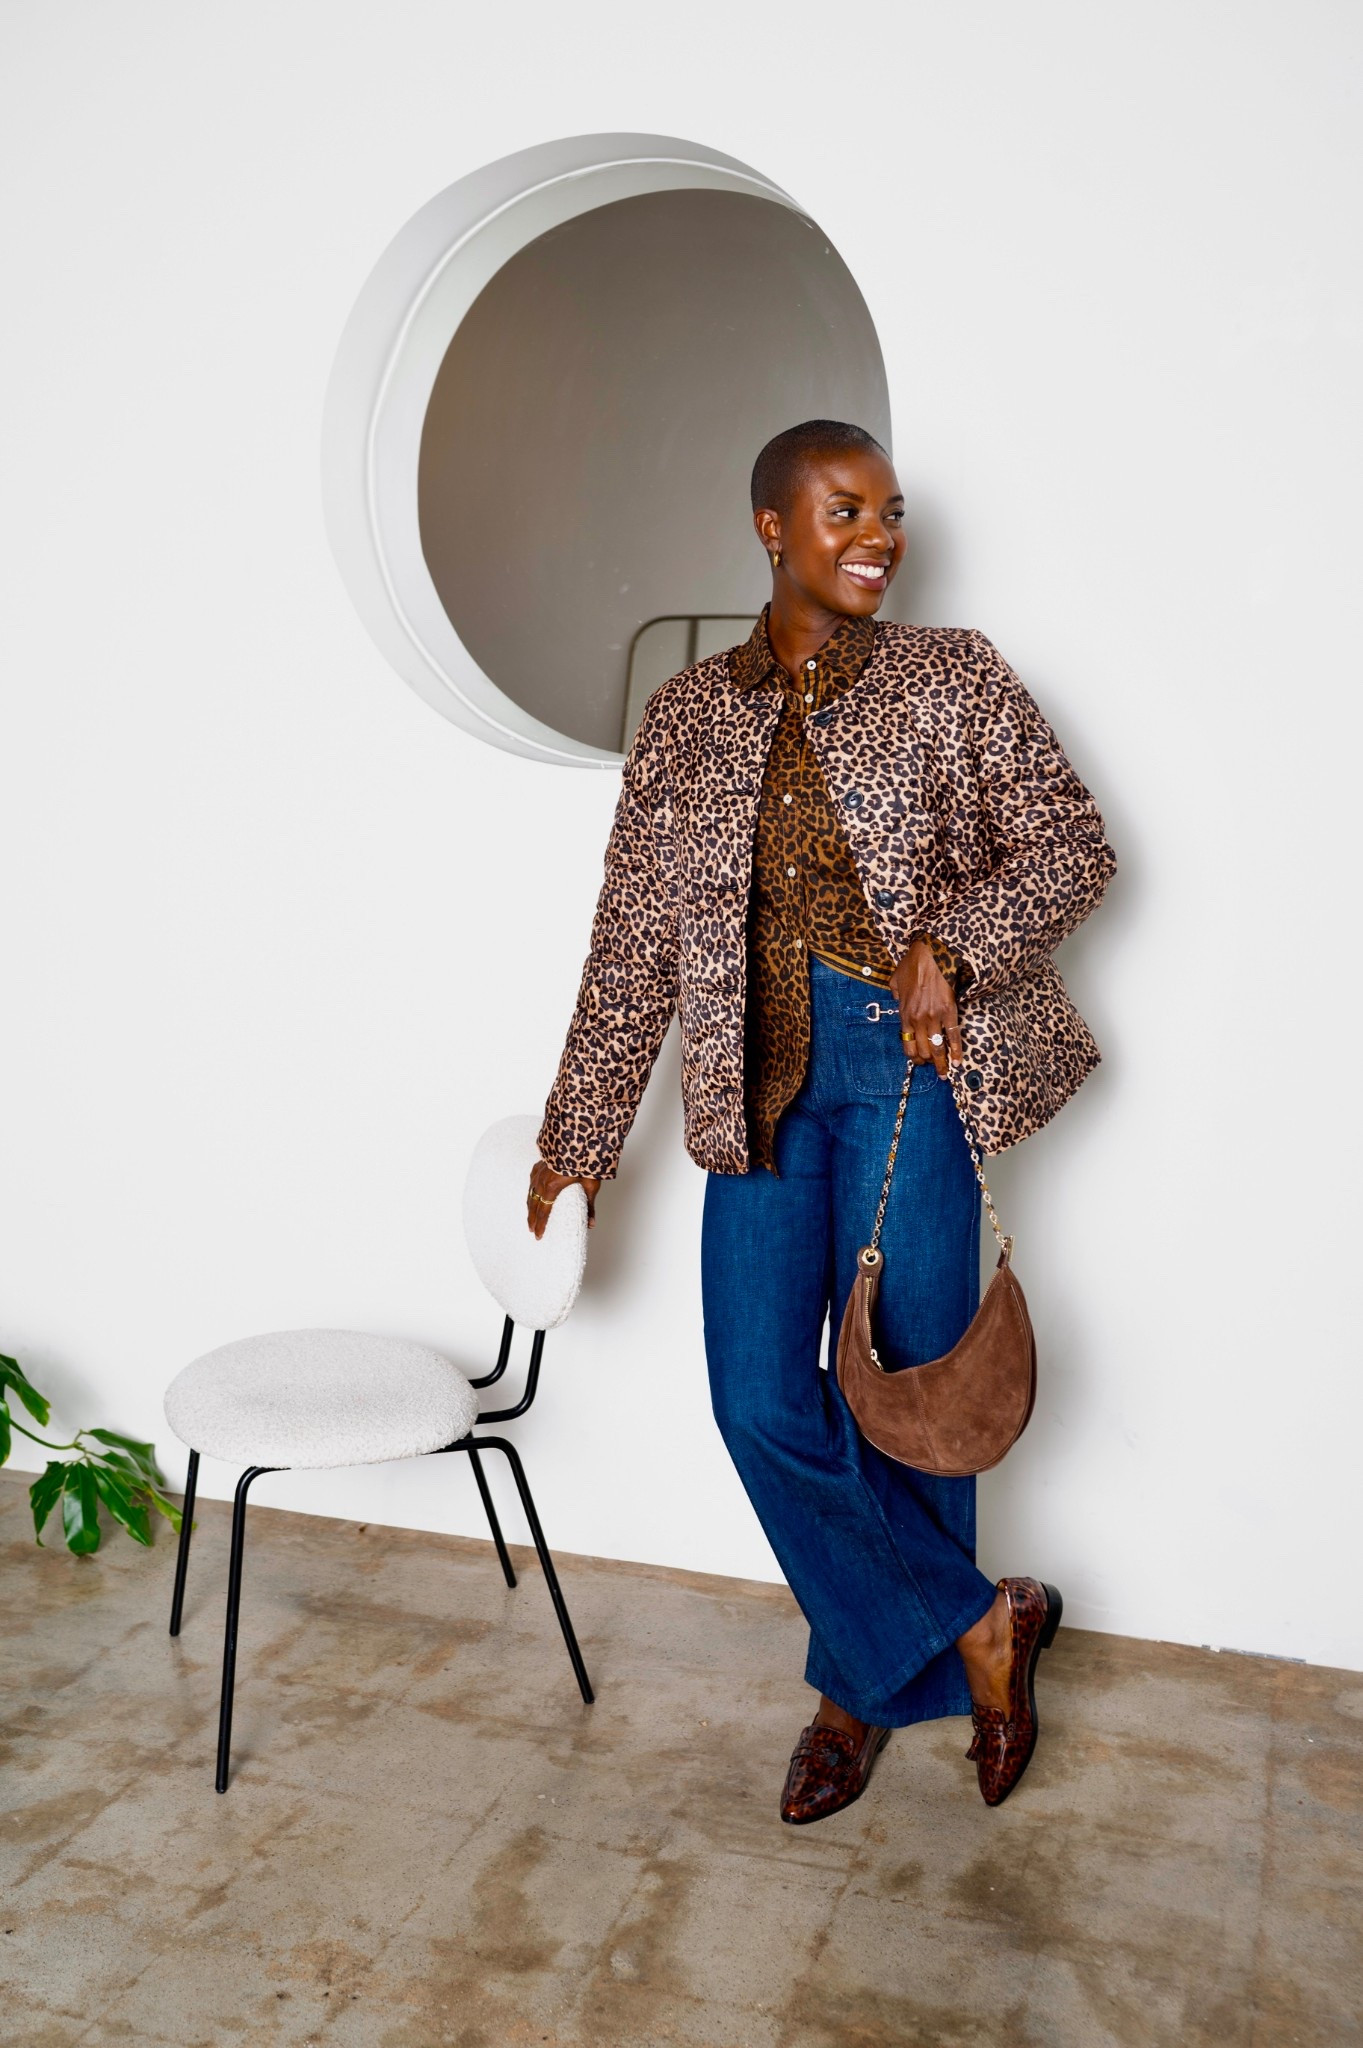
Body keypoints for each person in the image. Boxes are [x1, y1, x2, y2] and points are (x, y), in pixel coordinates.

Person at [527, 420, 1116, 1822]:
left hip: (907, 1073)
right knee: (760, 1398)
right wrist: (578, 1138)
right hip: (756, 1083)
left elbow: (1075, 850)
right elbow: (633, 944)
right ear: (770, 528)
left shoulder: (952, 677)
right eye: (844, 510)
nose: (879, 536)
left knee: (912, 1398)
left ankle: (854, 1685)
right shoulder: (682, 718)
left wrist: (952, 948)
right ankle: (977, 1628)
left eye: (892, 512)